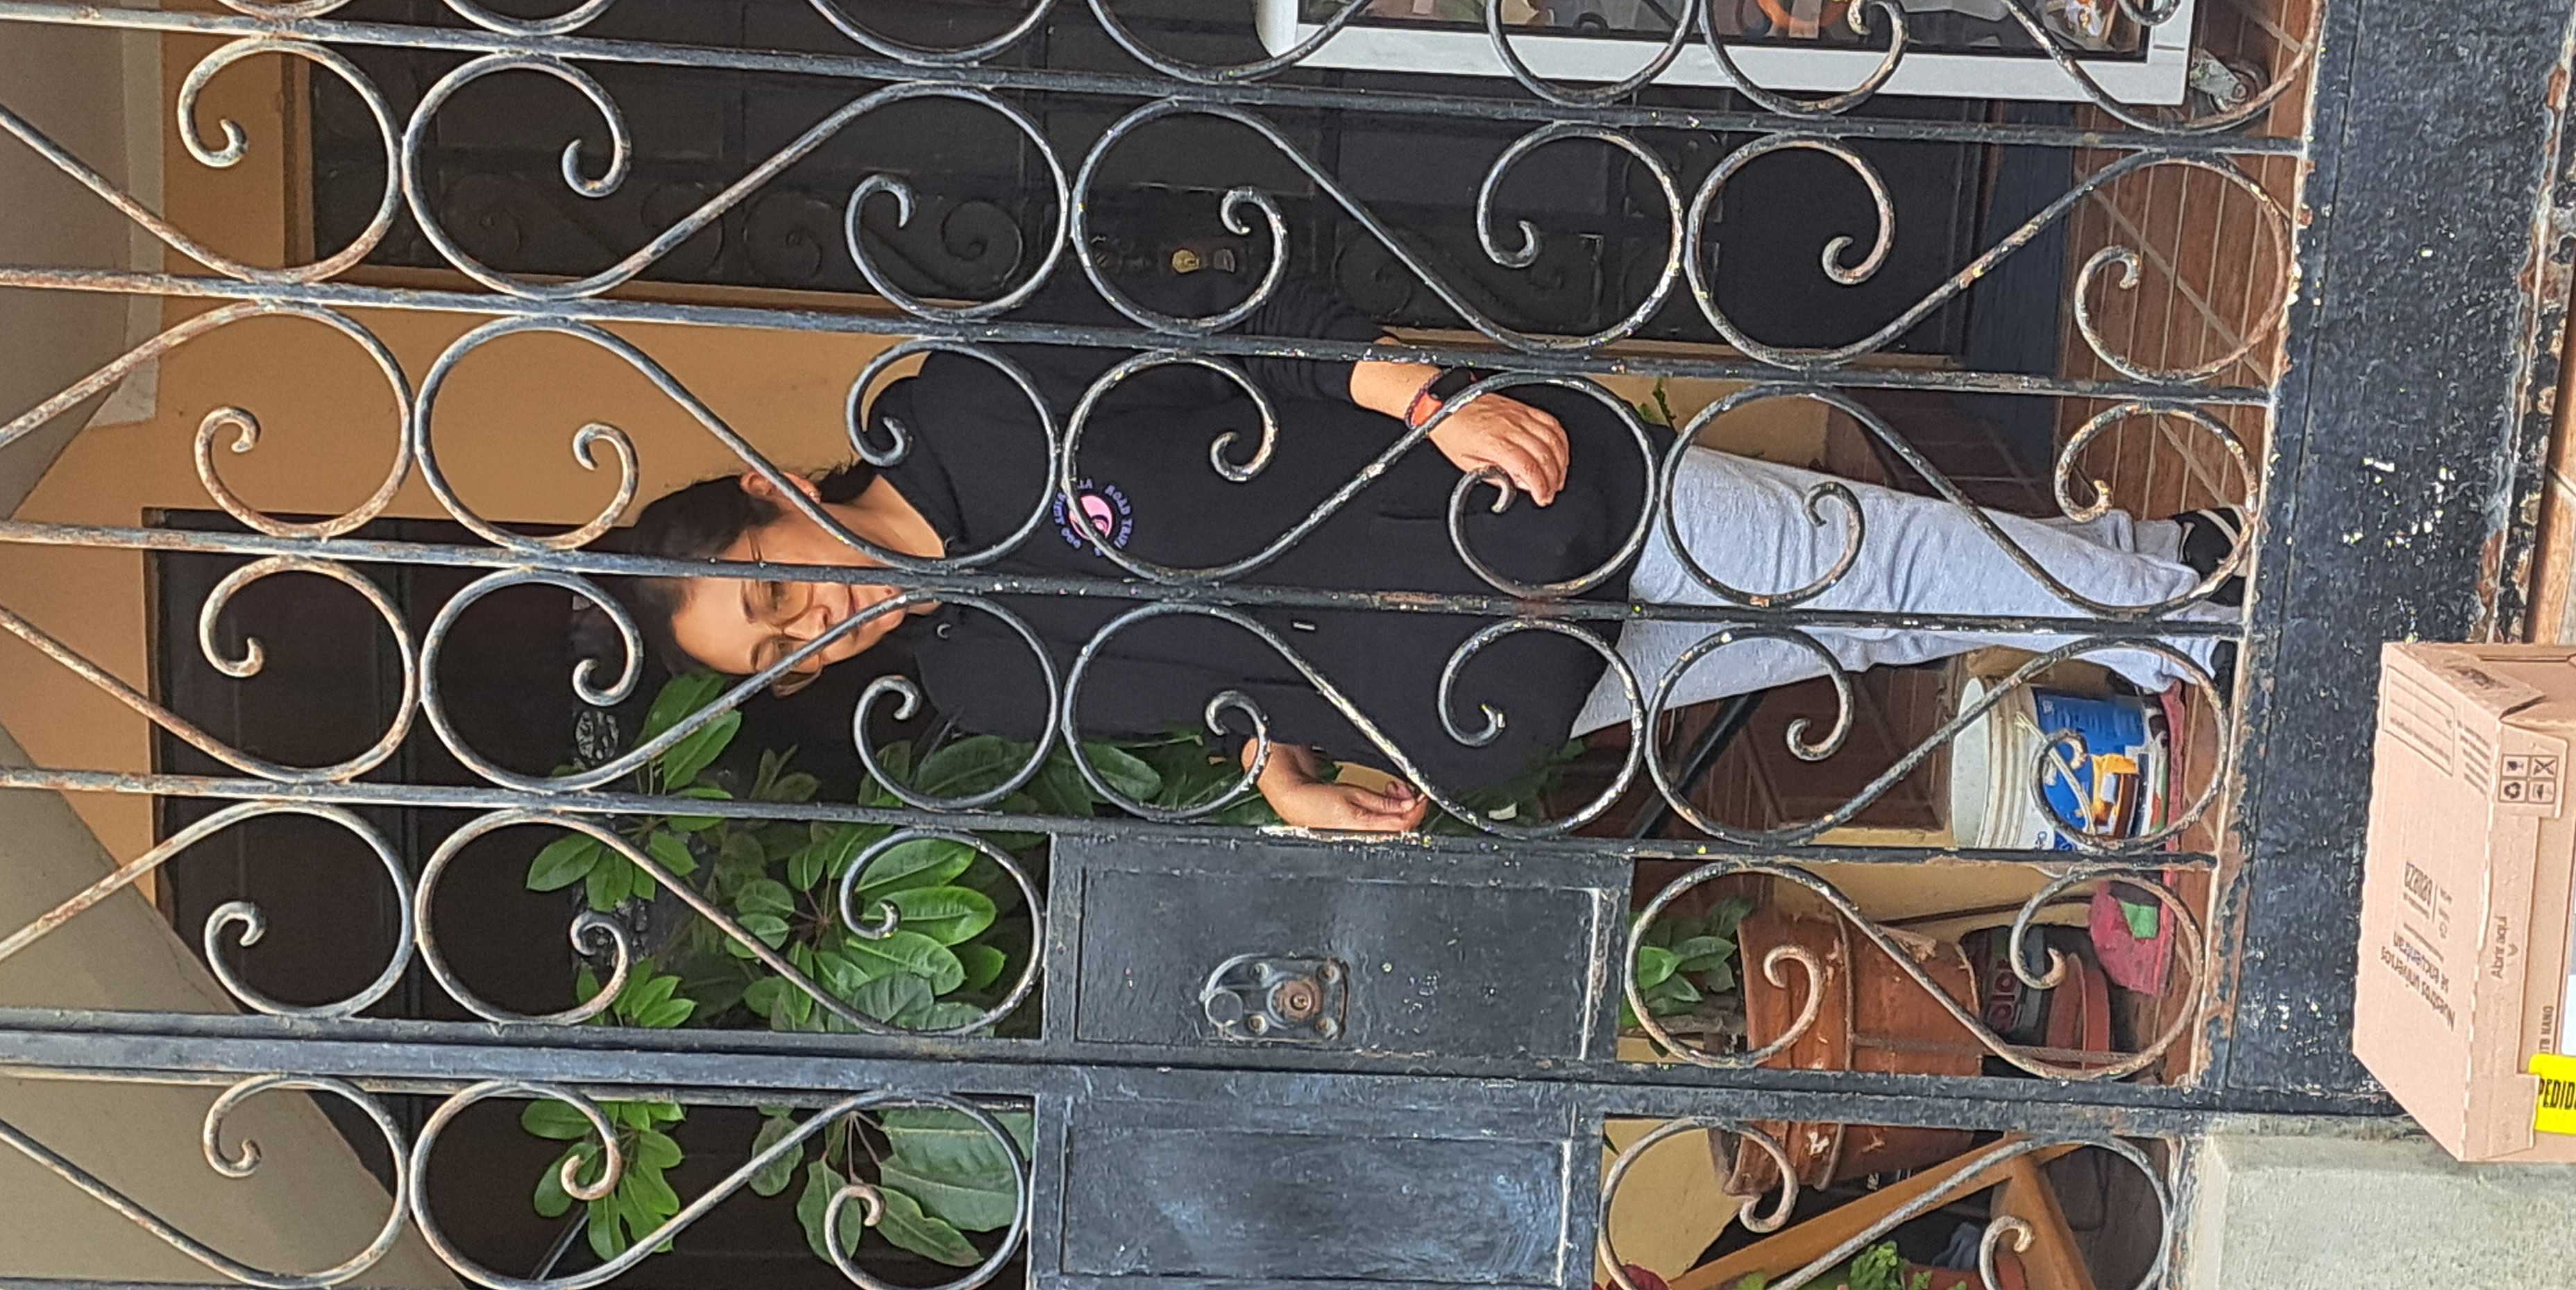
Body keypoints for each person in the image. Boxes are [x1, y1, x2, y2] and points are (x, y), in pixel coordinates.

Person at [608, 275, 2235, 833]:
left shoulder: (970, 399)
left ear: (773, 491)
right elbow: (1208, 685)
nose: (819, 626)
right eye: (780, 656)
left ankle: (2188, 616)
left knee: (1861, 557)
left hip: (1516, 495)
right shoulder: (972, 686)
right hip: (1484, 691)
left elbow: (1216, 314)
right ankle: (2149, 560)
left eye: (778, 590)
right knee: (1853, 624)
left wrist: (1421, 395)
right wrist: (1279, 775)